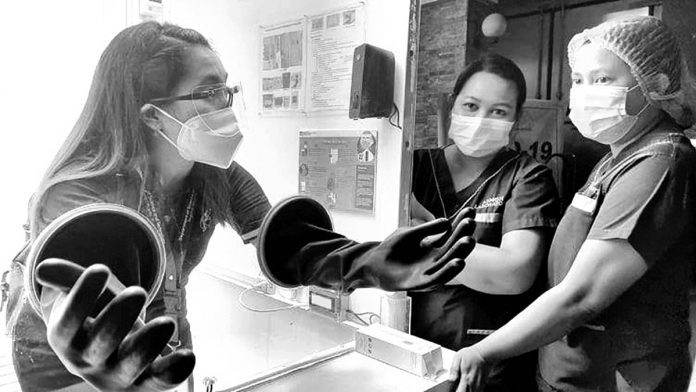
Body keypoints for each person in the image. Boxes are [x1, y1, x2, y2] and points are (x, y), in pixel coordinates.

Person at [10, 21, 476, 392]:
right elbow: (66, 293)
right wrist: (80, 343)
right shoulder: (79, 193)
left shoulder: (214, 172)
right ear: (151, 115)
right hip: (65, 366)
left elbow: (284, 241)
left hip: (159, 346)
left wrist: (361, 262)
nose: (227, 103)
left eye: (227, 89)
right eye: (209, 91)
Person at [450, 16, 696, 392]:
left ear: (657, 84)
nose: (584, 93)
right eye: (578, 80)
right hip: (574, 370)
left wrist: (485, 351)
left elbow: (582, 295)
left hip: (616, 377)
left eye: (602, 80)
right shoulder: (616, 157)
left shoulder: (662, 163)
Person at [409, 53, 560, 391]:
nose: (481, 119)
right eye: (471, 106)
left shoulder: (528, 177)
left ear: (516, 119)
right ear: (452, 106)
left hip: (488, 362)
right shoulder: (412, 167)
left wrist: (420, 239)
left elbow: (514, 273)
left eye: (498, 111)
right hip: (408, 344)